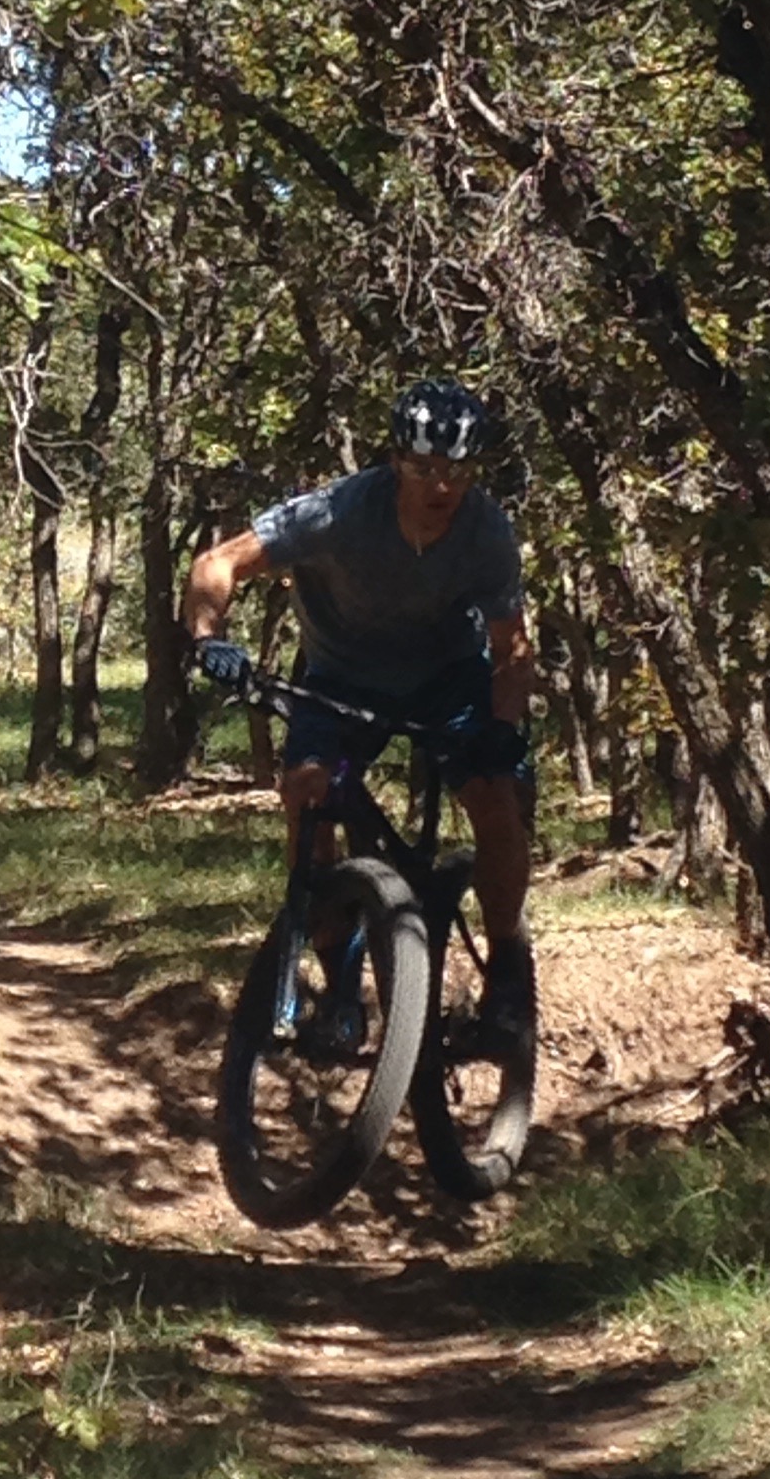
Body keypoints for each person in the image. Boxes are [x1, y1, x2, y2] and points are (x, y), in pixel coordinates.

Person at [182, 377, 536, 1037]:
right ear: (395, 461)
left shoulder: (486, 531)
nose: (441, 486)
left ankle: (509, 962)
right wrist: (210, 640)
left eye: (457, 471)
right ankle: (340, 975)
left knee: (496, 794)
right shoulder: (338, 513)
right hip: (340, 677)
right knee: (309, 797)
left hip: (447, 677)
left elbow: (511, 646)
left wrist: (503, 728)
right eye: (425, 468)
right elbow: (218, 564)